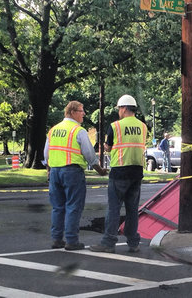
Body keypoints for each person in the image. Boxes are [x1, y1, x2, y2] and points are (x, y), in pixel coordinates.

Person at [44, 101, 107, 251]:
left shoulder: (53, 130)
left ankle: (57, 239)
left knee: (58, 207)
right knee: (73, 206)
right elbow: (89, 154)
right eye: (81, 111)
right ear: (72, 112)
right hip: (72, 172)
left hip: (55, 172)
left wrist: (48, 169)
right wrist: (99, 169)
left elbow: (46, 153)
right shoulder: (78, 131)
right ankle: (71, 240)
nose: (84, 113)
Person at [90, 94, 147, 254]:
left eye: (119, 109)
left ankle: (108, 242)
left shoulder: (115, 126)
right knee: (132, 209)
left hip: (120, 171)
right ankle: (133, 242)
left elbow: (108, 147)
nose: (118, 112)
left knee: (114, 208)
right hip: (137, 171)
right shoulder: (143, 126)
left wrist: (106, 146)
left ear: (123, 108)